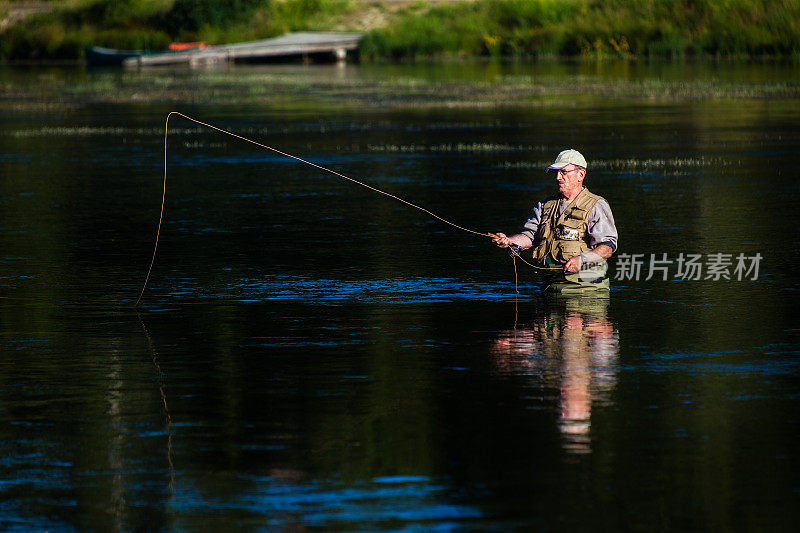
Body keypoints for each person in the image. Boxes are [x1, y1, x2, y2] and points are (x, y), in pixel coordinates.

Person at [493, 149, 618, 292]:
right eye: (556, 172)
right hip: (550, 286)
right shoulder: (544, 205)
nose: (558, 177)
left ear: (581, 174)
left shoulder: (596, 205)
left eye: (564, 172)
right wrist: (510, 241)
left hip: (586, 289)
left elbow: (607, 247)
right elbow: (529, 236)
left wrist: (581, 260)